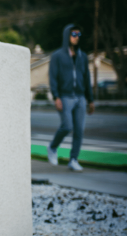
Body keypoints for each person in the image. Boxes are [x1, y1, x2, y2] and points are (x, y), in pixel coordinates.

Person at [47, 24, 95, 171]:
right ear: (67, 35)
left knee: (79, 130)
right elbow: (53, 77)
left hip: (80, 97)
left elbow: (87, 78)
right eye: (74, 34)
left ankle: (73, 159)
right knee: (67, 126)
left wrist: (90, 99)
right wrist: (56, 96)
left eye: (78, 35)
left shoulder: (83, 56)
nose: (76, 37)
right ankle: (52, 147)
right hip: (65, 96)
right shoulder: (57, 56)